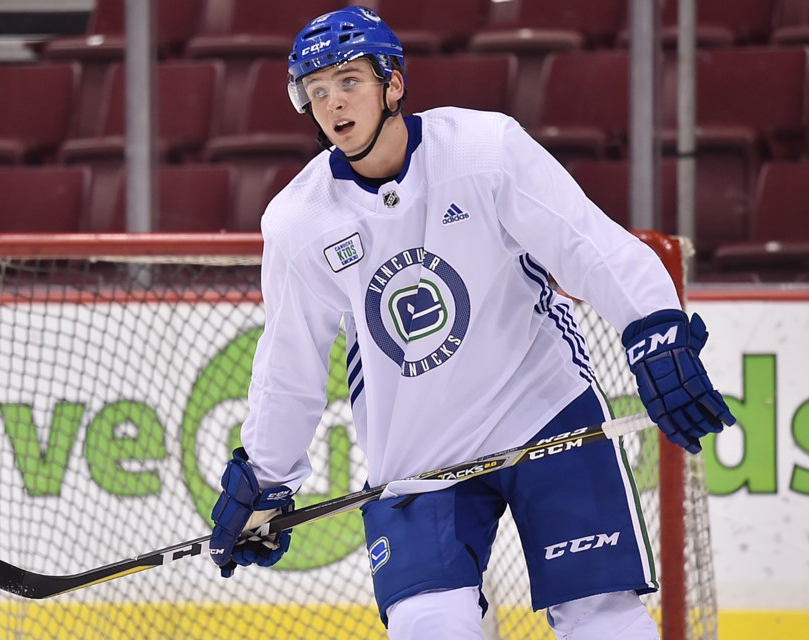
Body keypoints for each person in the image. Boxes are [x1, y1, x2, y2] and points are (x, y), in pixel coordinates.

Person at [207, 6, 735, 639]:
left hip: (544, 414)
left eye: (348, 81)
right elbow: (290, 363)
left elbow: (591, 246)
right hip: (418, 455)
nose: (333, 104)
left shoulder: (485, 151)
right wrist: (264, 477)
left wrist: (653, 328)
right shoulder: (299, 221)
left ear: (392, 83)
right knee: (431, 627)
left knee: (605, 621)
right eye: (316, 92)